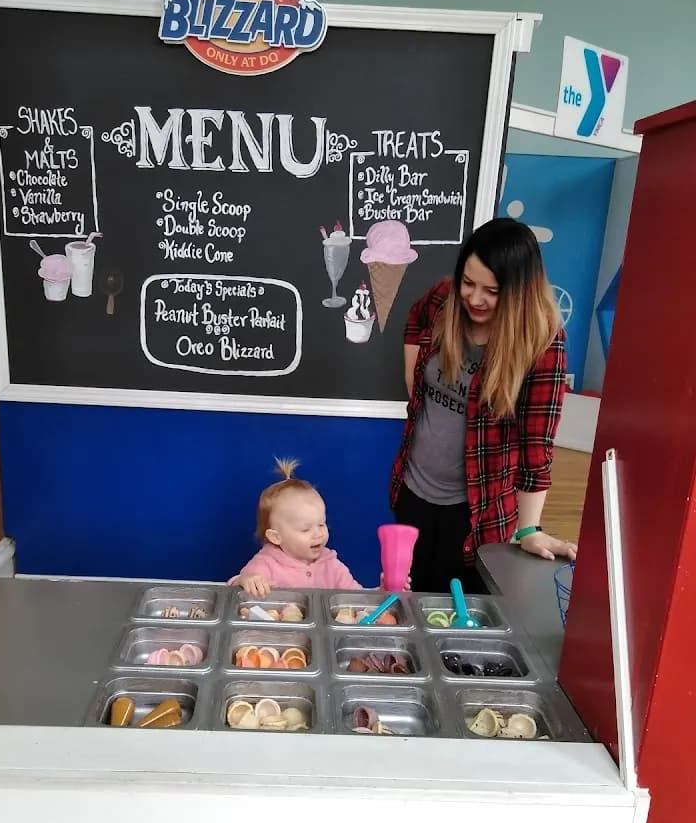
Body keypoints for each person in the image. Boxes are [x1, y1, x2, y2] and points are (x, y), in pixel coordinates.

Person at [390, 216, 577, 594]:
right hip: (412, 492)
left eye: (492, 291)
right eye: (469, 283)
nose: (475, 298)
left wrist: (528, 528)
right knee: (406, 601)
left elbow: (536, 444)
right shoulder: (444, 298)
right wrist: (415, 387)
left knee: (456, 616)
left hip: (475, 511)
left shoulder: (542, 341)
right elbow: (415, 317)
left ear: (519, 291)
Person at [230, 459, 362, 596]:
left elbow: (358, 598)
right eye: (305, 529)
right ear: (276, 537)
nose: (319, 534)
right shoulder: (266, 563)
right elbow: (235, 589)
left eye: (322, 524)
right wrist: (245, 580)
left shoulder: (332, 566)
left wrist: (380, 593)